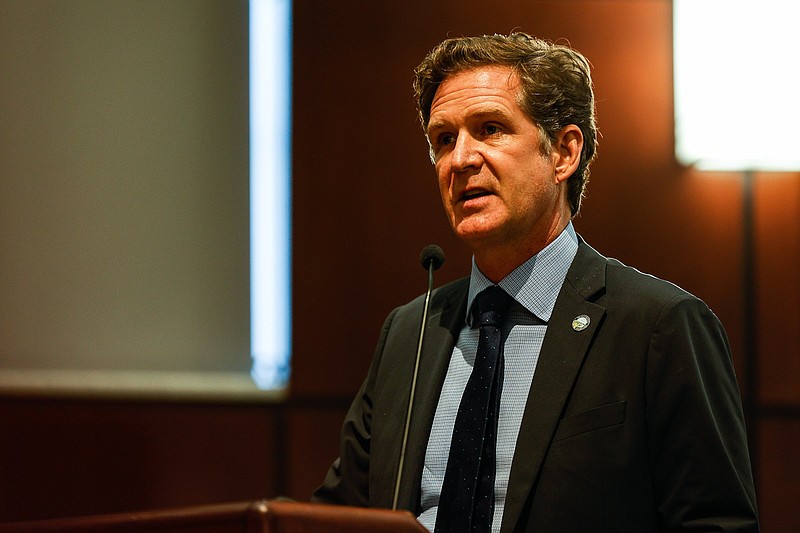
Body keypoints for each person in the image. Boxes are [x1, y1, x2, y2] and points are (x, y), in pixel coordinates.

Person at [312, 33, 759, 532]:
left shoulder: (658, 327)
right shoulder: (410, 334)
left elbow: (717, 525)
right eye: (444, 139)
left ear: (564, 153)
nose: (460, 159)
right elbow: (335, 517)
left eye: (490, 129)